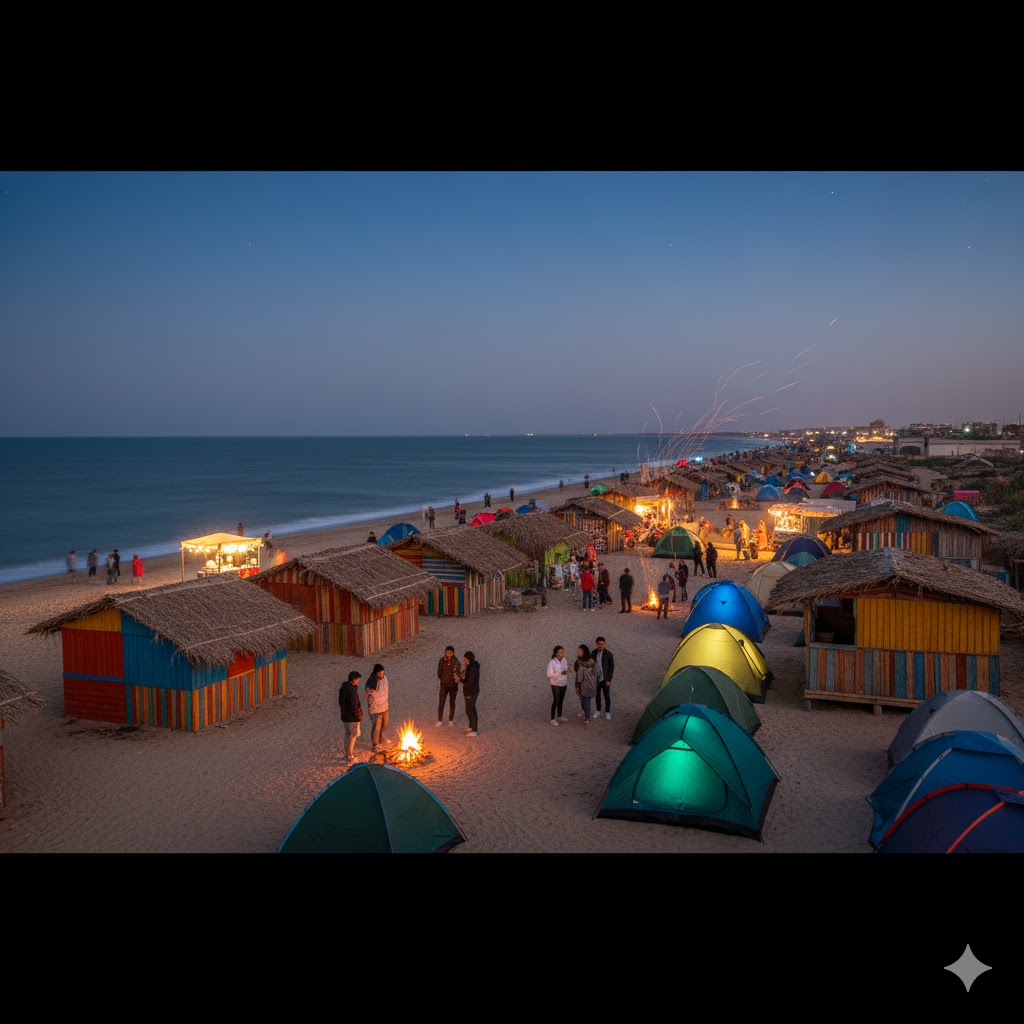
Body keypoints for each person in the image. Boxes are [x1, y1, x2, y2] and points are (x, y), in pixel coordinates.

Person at [338, 670, 364, 762]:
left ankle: (347, 754)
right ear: (354, 679)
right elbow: (354, 705)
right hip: (352, 718)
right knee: (353, 735)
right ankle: (349, 755)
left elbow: (340, 702)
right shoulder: (352, 690)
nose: (358, 682)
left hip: (345, 716)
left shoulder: (343, 688)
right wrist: (358, 716)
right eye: (357, 680)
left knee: (347, 734)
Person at [365, 663, 389, 752]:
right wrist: (369, 692)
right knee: (376, 727)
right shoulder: (371, 681)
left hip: (384, 706)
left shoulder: (385, 678)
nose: (381, 675)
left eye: (382, 673)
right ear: (375, 673)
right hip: (375, 709)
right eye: (379, 673)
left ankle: (381, 738)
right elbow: (367, 694)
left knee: (384, 724)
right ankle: (375, 745)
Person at [437, 645, 463, 726]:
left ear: (453, 653)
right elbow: (439, 672)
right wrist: (442, 678)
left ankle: (450, 720)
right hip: (444, 685)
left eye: (450, 653)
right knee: (441, 702)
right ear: (445, 652)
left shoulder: (456, 661)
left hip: (453, 686)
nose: (449, 654)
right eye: (447, 652)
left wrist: (455, 679)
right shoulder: (441, 660)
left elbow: (457, 673)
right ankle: (439, 720)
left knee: (452, 702)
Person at [592, 636, 614, 720]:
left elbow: (611, 668)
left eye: (602, 644)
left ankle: (607, 712)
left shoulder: (609, 654)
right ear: (596, 644)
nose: (600, 645)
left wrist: (609, 679)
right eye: (599, 644)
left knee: (606, 695)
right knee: (597, 695)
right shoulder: (593, 653)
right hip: (597, 678)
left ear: (604, 645)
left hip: (605, 679)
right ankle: (598, 710)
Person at [574, 644, 597, 726]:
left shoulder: (591, 662)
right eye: (578, 650)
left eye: (580, 651)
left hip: (588, 684)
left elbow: (595, 673)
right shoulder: (578, 660)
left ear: (584, 652)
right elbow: (576, 669)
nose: (579, 652)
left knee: (587, 701)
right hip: (580, 684)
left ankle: (587, 719)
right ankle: (584, 712)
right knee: (582, 700)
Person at [547, 645, 570, 725]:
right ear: (555, 653)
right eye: (559, 652)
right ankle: (552, 719)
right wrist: (559, 673)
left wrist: (565, 672)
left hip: (564, 683)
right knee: (556, 700)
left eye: (562, 652)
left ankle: (559, 715)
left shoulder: (564, 660)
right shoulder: (552, 662)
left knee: (561, 700)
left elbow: (565, 669)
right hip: (555, 684)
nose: (560, 654)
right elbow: (549, 674)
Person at [462, 650, 480, 736]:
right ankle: (471, 727)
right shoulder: (473, 666)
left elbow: (469, 682)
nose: (465, 661)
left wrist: (460, 680)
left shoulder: (471, 668)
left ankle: (474, 731)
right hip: (473, 691)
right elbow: (470, 678)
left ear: (468, 659)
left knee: (470, 710)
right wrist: (465, 673)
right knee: (470, 709)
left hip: (471, 691)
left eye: (465, 659)